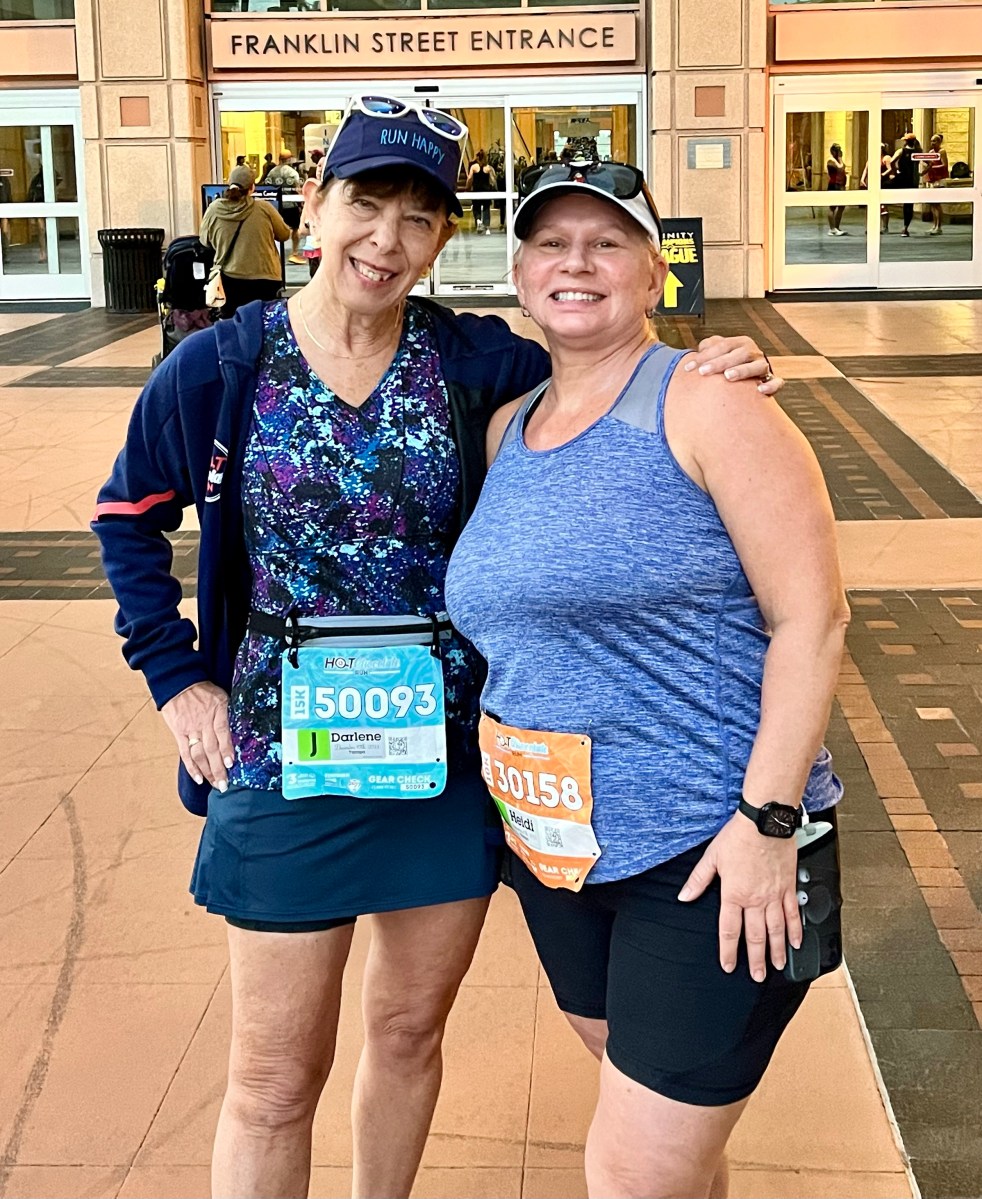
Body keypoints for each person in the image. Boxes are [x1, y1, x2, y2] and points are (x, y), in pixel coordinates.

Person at [94, 97, 779, 1199]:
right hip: (282, 756)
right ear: (313, 206)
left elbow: (604, 377)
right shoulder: (222, 367)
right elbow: (128, 517)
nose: (386, 239)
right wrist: (176, 677)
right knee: (272, 1077)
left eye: (419, 217)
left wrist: (708, 364)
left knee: (408, 1032)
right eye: (366, 204)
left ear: (443, 238)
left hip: (446, 756)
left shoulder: (477, 362)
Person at [445, 158, 848, 1199]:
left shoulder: (711, 404)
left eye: (607, 242)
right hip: (560, 849)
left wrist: (768, 822)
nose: (575, 263)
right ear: (519, 272)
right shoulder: (507, 427)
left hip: (711, 850)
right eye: (550, 243)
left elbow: (812, 619)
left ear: (655, 270)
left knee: (632, 1171)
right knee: (667, 1142)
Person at [199, 164, 290, 319]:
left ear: (229, 185)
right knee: (264, 323)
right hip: (266, 278)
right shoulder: (264, 208)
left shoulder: (214, 209)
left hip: (229, 279)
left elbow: (204, 241)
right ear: (252, 188)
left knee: (232, 323)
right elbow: (284, 234)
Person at [265, 149, 304, 262]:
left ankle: (274, 253)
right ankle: (294, 253)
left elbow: (269, 188)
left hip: (277, 206)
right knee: (295, 229)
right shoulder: (292, 173)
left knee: (274, 230)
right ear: (289, 159)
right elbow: (297, 189)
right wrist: (301, 203)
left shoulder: (272, 172)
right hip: (290, 205)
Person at [891, 133, 921, 236]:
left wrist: (895, 172)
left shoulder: (902, 151)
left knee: (885, 189)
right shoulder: (918, 152)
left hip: (903, 178)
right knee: (909, 205)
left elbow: (892, 162)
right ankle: (905, 227)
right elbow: (929, 163)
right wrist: (921, 173)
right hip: (912, 180)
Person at [924, 133, 949, 235]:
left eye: (934, 141)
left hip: (939, 179)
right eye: (931, 141)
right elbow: (930, 164)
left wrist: (933, 167)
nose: (932, 143)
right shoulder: (931, 152)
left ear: (939, 142)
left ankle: (939, 227)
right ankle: (934, 225)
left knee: (937, 204)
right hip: (932, 179)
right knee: (932, 204)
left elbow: (944, 165)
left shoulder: (942, 152)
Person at [466, 148, 495, 233]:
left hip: (476, 190)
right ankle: (486, 227)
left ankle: (478, 221)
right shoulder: (488, 168)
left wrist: (467, 187)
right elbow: (493, 180)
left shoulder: (474, 167)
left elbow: (470, 178)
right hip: (486, 190)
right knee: (486, 208)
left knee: (476, 207)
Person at [826, 142, 847, 236]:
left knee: (842, 206)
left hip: (840, 185)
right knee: (833, 207)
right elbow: (840, 168)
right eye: (838, 150)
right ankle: (832, 229)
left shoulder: (837, 160)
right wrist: (840, 158)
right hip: (834, 185)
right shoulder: (831, 160)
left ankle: (836, 227)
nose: (839, 152)